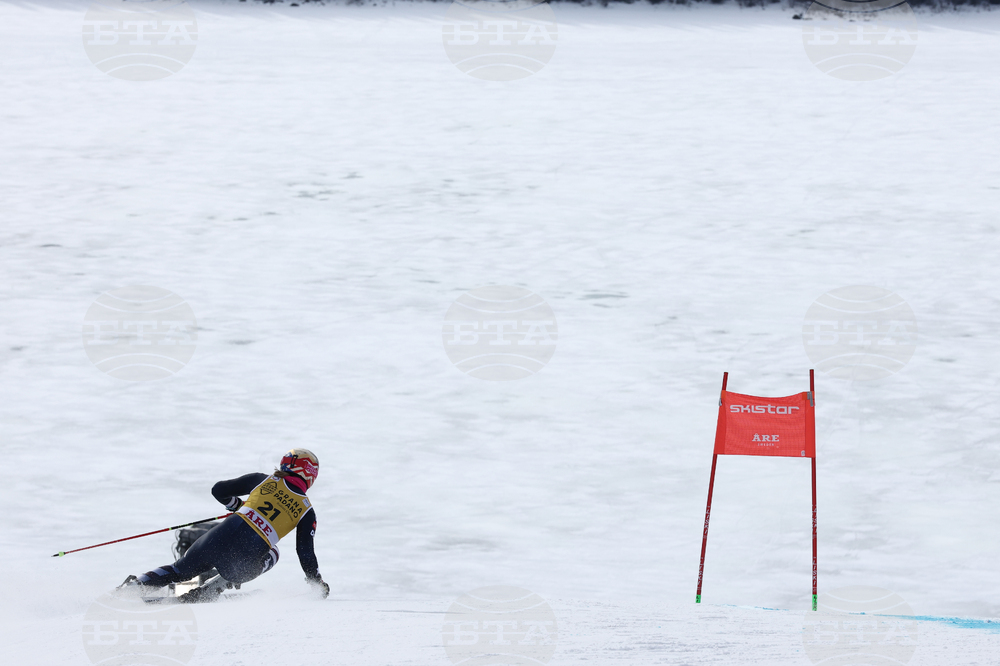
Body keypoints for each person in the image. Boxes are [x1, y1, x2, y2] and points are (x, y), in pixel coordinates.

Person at [121, 449, 330, 602]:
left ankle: (129, 590)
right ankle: (216, 586)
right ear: (310, 475)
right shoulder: (306, 511)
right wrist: (317, 583)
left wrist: (237, 505)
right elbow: (305, 553)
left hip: (215, 540)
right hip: (241, 565)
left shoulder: (262, 480)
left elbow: (218, 490)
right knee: (273, 553)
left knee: (179, 570)